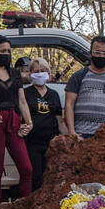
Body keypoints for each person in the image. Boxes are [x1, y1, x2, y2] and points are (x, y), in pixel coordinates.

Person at [0, 35, 33, 206]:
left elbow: (21, 100)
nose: (6, 54)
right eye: (2, 51)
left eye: (8, 51)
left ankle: (22, 207)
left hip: (14, 122)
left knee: (26, 168)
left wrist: (29, 123)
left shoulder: (14, 73)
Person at [64, 35, 105, 138]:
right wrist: (72, 132)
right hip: (81, 134)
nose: (101, 56)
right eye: (97, 52)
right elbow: (69, 105)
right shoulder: (78, 76)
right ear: (90, 53)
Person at [24, 58, 64, 191]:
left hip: (51, 143)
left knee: (50, 176)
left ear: (48, 72)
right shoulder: (25, 93)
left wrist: (70, 134)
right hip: (32, 142)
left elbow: (59, 120)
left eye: (43, 71)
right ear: (30, 74)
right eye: (36, 71)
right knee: (35, 177)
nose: (40, 74)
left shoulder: (54, 95)